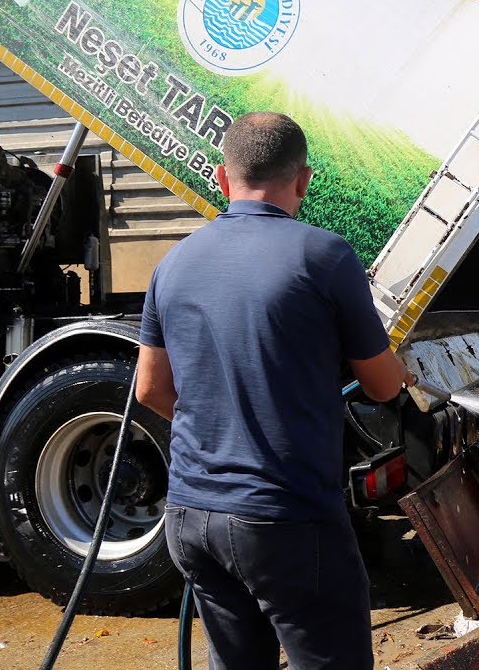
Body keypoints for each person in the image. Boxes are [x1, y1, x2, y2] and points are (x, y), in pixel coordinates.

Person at [136, 111, 413, 670]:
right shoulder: (324, 256)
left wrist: (223, 429)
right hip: (287, 518)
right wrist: (404, 367)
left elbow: (149, 389)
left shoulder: (174, 263)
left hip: (193, 519)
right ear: (304, 180)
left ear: (221, 177)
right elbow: (382, 386)